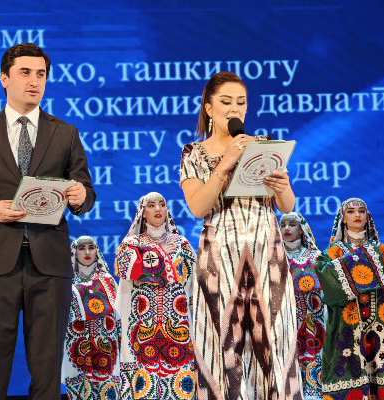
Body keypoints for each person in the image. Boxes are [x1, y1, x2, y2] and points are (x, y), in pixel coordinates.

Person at [0, 42, 95, 399]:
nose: (34, 81)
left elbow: (86, 191)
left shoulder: (65, 132)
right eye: (25, 72)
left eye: (41, 74)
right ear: (4, 79)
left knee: (47, 371)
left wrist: (80, 197)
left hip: (50, 265)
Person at [179, 71, 302, 399]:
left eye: (241, 102)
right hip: (220, 258)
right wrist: (226, 163)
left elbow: (286, 206)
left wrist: (283, 188)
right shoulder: (193, 152)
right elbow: (198, 206)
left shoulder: (262, 145)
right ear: (209, 108)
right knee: (222, 347)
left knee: (275, 343)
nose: (235, 109)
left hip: (267, 254)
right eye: (226, 102)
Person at [114, 192, 197, 399]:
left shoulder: (181, 244)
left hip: (177, 324)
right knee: (144, 387)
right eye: (151, 205)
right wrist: (159, 252)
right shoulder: (131, 243)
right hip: (142, 325)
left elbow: (194, 284)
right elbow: (126, 268)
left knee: (179, 386)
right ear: (143, 213)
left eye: (161, 204)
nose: (158, 209)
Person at [315, 198, 384, 398]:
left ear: (367, 216)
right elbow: (327, 282)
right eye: (350, 211)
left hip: (381, 326)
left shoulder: (383, 251)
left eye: (361, 211)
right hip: (345, 326)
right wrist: (364, 257)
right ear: (343, 218)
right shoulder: (332, 253)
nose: (357, 215)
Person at [61, 236, 120, 399]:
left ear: (97, 251)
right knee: (81, 391)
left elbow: (118, 317)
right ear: (74, 252)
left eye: (91, 247)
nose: (87, 252)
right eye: (81, 248)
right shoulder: (66, 281)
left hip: (107, 347)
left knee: (108, 391)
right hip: (77, 348)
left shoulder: (108, 280)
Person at [280, 212, 325, 399]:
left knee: (314, 358)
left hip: (314, 321)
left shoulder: (316, 256)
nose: (287, 228)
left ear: (301, 229)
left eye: (292, 224)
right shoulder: (274, 256)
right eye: (283, 225)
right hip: (284, 318)